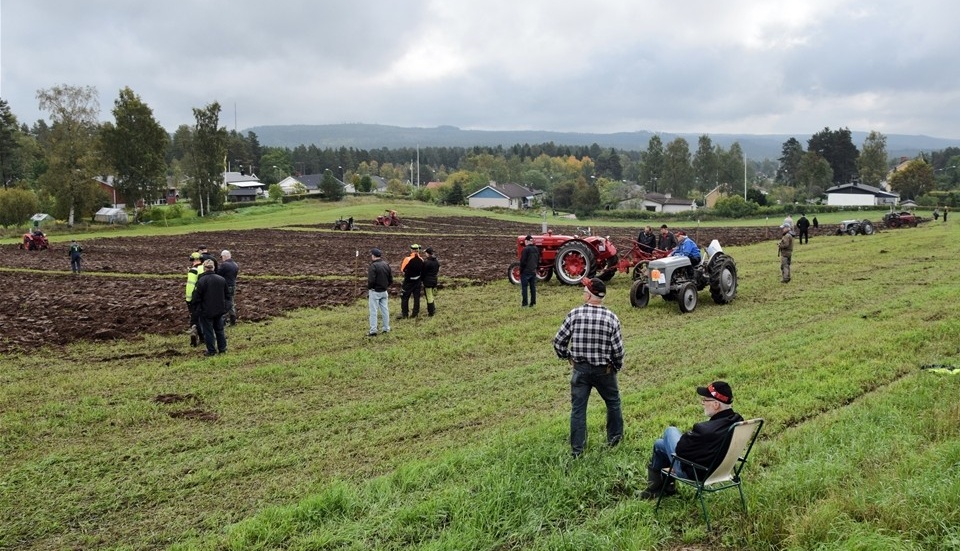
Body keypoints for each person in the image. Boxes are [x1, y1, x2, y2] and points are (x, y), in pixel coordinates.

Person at [553, 277, 625, 458]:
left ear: (589, 295)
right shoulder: (611, 318)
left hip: (581, 370)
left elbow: (559, 341)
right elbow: (618, 350)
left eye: (585, 290)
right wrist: (616, 366)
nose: (583, 293)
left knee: (578, 409)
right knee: (613, 403)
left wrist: (567, 356)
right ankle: (615, 441)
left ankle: (577, 450)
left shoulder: (574, 314)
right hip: (605, 371)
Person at [639, 381, 744, 499]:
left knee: (670, 430)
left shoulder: (704, 430)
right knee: (659, 444)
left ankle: (654, 490)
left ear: (716, 404)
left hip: (696, 472)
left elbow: (680, 451)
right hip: (721, 470)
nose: (702, 403)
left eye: (705, 400)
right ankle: (666, 487)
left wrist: (689, 436)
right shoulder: (738, 422)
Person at [191, 259, 228, 356]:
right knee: (220, 330)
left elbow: (196, 297)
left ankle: (211, 351)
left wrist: (197, 309)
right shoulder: (221, 279)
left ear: (204, 268)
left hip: (206, 311)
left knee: (208, 332)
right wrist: (225, 308)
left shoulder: (201, 280)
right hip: (219, 310)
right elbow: (227, 295)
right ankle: (222, 349)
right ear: (214, 267)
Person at [367, 248, 393, 336]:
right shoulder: (386, 265)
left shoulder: (373, 266)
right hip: (384, 291)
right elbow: (391, 279)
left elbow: (371, 280)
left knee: (373, 311)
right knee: (385, 310)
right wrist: (385, 286)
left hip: (375, 292)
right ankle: (386, 328)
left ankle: (373, 330)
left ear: (373, 256)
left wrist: (370, 288)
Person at [399, 243, 424, 319]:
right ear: (418, 250)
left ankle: (405, 314)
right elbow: (422, 270)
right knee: (416, 298)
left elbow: (402, 270)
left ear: (411, 250)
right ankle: (415, 314)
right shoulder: (422, 260)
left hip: (408, 281)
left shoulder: (407, 259)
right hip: (417, 281)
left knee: (405, 297)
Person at [185, 252, 204, 347]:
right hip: (205, 298)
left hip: (195, 298)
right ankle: (204, 337)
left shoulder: (193, 270)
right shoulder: (204, 268)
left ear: (193, 260)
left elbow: (190, 286)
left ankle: (196, 334)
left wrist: (188, 300)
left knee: (195, 318)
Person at [217, 250, 239, 326]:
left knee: (222, 303)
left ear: (224, 256)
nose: (222, 258)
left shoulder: (224, 265)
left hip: (225, 287)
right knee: (231, 302)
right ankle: (233, 319)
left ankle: (223, 321)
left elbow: (218, 274)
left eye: (222, 257)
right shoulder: (235, 264)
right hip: (233, 285)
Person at [519, 234, 540, 307]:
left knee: (524, 288)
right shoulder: (536, 249)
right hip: (533, 271)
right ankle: (533, 303)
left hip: (526, 272)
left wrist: (521, 270)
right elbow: (538, 260)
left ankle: (525, 304)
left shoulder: (525, 249)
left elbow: (523, 261)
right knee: (533, 288)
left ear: (527, 241)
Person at [422, 247, 440, 317]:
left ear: (428, 253)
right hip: (434, 280)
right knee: (431, 295)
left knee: (429, 296)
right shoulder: (436, 262)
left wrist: (422, 279)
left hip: (427, 281)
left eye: (425, 253)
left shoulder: (426, 262)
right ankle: (433, 308)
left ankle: (431, 312)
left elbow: (423, 272)